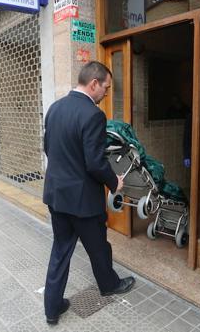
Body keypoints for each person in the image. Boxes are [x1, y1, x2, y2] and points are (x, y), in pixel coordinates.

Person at [42, 61, 134, 325]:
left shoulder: (55, 108)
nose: (106, 93)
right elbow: (95, 163)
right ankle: (109, 284)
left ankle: (53, 307)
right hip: (83, 201)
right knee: (98, 246)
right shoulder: (93, 114)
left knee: (61, 250)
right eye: (105, 88)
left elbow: (49, 149)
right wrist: (114, 182)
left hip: (56, 195)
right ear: (93, 84)